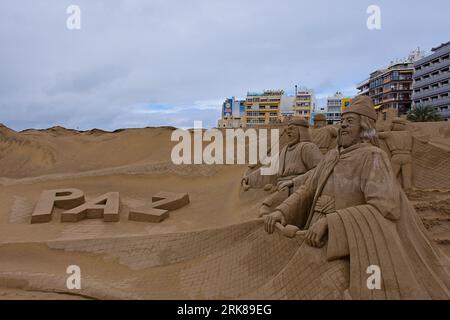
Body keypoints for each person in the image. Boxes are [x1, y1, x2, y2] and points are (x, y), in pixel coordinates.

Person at [264, 96, 450, 299]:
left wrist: (331, 222)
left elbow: (385, 208)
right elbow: (307, 189)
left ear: (364, 126)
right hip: (313, 234)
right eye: (342, 121)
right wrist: (282, 211)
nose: (343, 125)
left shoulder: (372, 156)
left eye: (350, 121)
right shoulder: (332, 156)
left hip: (348, 244)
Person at [259, 117, 322, 216]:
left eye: (292, 129)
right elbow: (271, 167)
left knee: (268, 208)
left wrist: (293, 182)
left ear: (301, 131)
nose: (288, 132)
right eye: (288, 129)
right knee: (265, 207)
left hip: (297, 191)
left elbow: (320, 170)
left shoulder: (308, 147)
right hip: (281, 189)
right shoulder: (285, 150)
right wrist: (249, 179)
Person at [378, 117, 413, 190]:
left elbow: (376, 135)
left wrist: (386, 128)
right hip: (407, 156)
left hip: (396, 156)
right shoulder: (408, 134)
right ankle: (408, 190)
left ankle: (390, 189)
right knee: (407, 177)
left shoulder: (389, 134)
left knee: (392, 176)